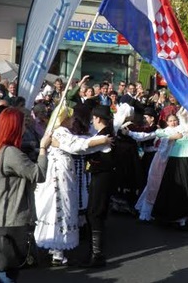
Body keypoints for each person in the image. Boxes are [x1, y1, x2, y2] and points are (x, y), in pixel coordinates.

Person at [33, 105, 113, 267]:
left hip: (62, 172)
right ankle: (57, 252)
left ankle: (55, 250)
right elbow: (76, 146)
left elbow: (80, 146)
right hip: (59, 175)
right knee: (60, 208)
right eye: (70, 117)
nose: (73, 120)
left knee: (59, 208)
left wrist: (99, 142)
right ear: (64, 119)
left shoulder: (61, 132)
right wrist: (101, 140)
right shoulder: (62, 132)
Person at [0, 108, 52, 283]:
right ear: (14, 126)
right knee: (8, 272)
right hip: (11, 218)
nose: (25, 127)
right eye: (23, 124)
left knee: (3, 270)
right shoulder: (10, 153)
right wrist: (44, 149)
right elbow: (38, 174)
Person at [80, 105, 116, 268]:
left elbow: (85, 149)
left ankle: (97, 255)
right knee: (94, 213)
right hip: (100, 177)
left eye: (93, 118)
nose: (92, 121)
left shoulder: (105, 136)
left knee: (95, 213)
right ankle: (93, 253)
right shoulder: (102, 135)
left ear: (98, 119)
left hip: (103, 177)